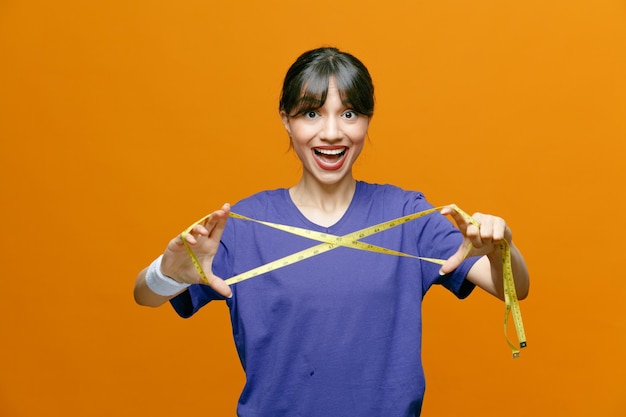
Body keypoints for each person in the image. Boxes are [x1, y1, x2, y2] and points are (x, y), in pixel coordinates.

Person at [133, 46, 530, 417]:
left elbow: (513, 287)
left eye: (349, 114)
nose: (331, 133)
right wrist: (167, 275)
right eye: (311, 114)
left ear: (368, 119)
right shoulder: (242, 225)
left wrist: (500, 245)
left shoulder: (407, 215)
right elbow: (144, 295)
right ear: (285, 120)